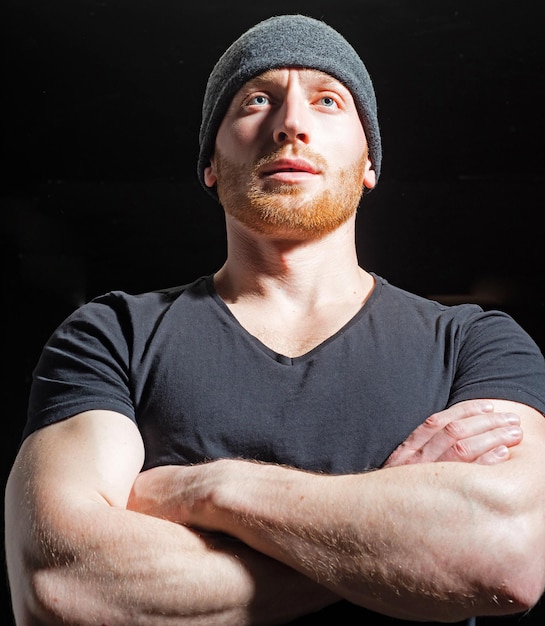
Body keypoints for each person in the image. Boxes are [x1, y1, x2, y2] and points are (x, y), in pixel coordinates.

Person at [5, 13, 545, 626]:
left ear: (369, 161)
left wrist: (208, 492)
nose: (291, 124)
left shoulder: (476, 344)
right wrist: (398, 544)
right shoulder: (110, 337)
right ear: (211, 162)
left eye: (328, 101)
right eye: (256, 100)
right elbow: (61, 582)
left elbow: (508, 555)